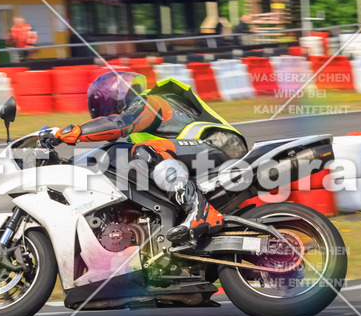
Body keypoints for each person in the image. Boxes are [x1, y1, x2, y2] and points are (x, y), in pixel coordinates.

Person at [45, 71, 247, 245]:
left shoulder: (149, 102)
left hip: (220, 145)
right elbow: (109, 151)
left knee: (146, 150)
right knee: (132, 162)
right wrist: (70, 164)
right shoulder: (139, 128)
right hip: (199, 157)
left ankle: (200, 211)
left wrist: (74, 132)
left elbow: (120, 123)